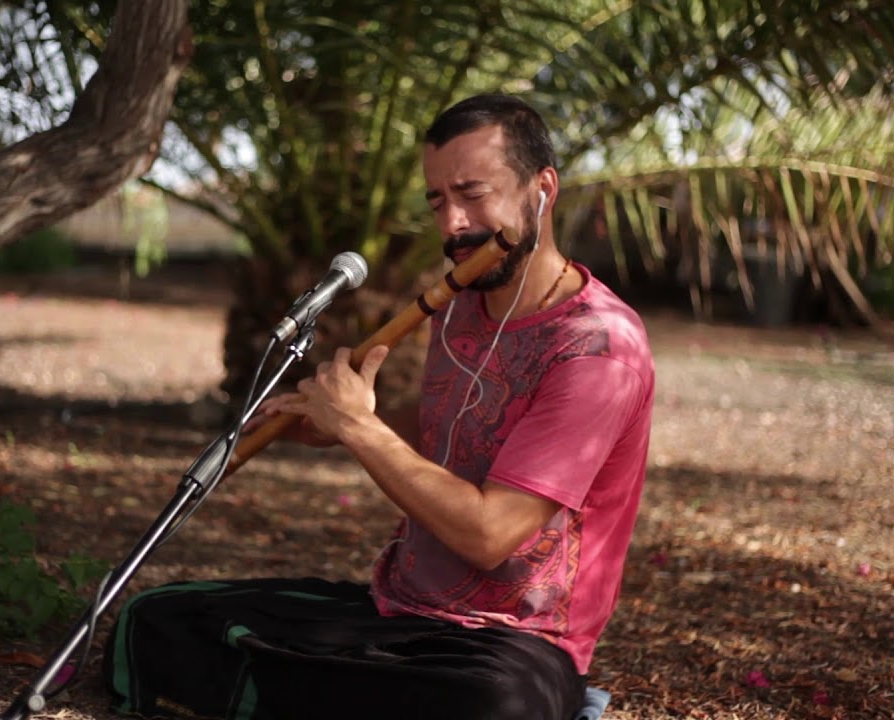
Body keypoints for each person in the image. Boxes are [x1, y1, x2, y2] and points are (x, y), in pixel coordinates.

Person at [103, 93, 655, 720]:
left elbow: (491, 533)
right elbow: (448, 445)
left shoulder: (596, 348)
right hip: (395, 613)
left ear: (542, 189)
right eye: (438, 201)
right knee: (156, 619)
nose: (451, 224)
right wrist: (336, 427)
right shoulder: (459, 309)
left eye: (473, 194)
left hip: (518, 643)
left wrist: (361, 429)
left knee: (494, 705)